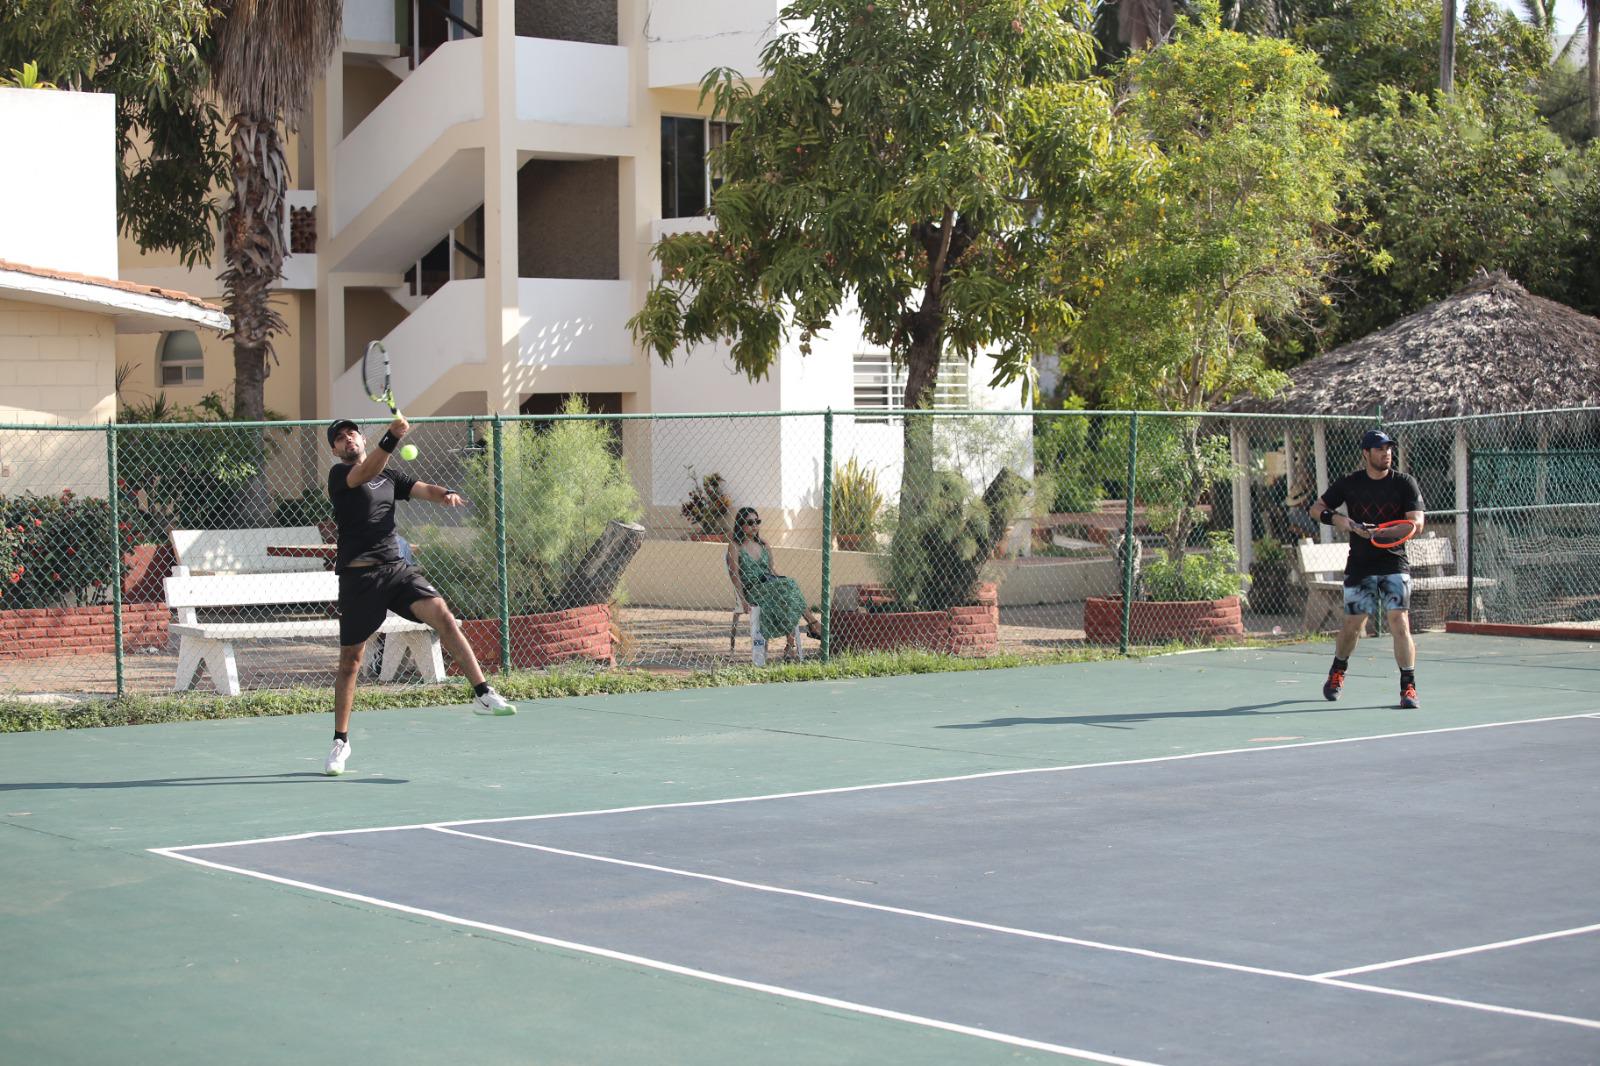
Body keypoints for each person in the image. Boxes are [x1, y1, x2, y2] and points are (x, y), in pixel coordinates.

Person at [323, 415, 515, 775]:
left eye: (353, 433)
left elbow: (423, 489)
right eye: (340, 438)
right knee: (351, 661)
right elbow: (363, 475)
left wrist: (445, 495)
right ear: (334, 449)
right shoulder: (340, 477)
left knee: (443, 616)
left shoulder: (389, 476)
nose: (348, 439)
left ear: (362, 440)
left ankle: (483, 693)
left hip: (397, 571)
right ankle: (340, 742)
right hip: (359, 580)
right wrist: (391, 438)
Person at [1305, 429, 1425, 709]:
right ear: (1366, 453)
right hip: (1360, 566)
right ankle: (1338, 671)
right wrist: (1343, 522)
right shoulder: (1350, 483)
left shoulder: (1405, 483)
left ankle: (1408, 687)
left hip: (1395, 563)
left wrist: (1383, 533)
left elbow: (1416, 522)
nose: (1387, 453)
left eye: (1389, 448)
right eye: (1380, 448)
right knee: (1352, 627)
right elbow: (1316, 508)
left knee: (1400, 621)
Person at [726, 506, 822, 660]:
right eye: (750, 522)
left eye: (757, 521)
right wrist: (742, 598)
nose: (755, 526)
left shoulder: (764, 544)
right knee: (787, 590)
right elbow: (735, 575)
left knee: (788, 588)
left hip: (770, 584)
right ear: (740, 525)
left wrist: (781, 581)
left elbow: (772, 570)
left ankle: (791, 644)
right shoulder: (735, 546)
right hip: (753, 589)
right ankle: (812, 626)